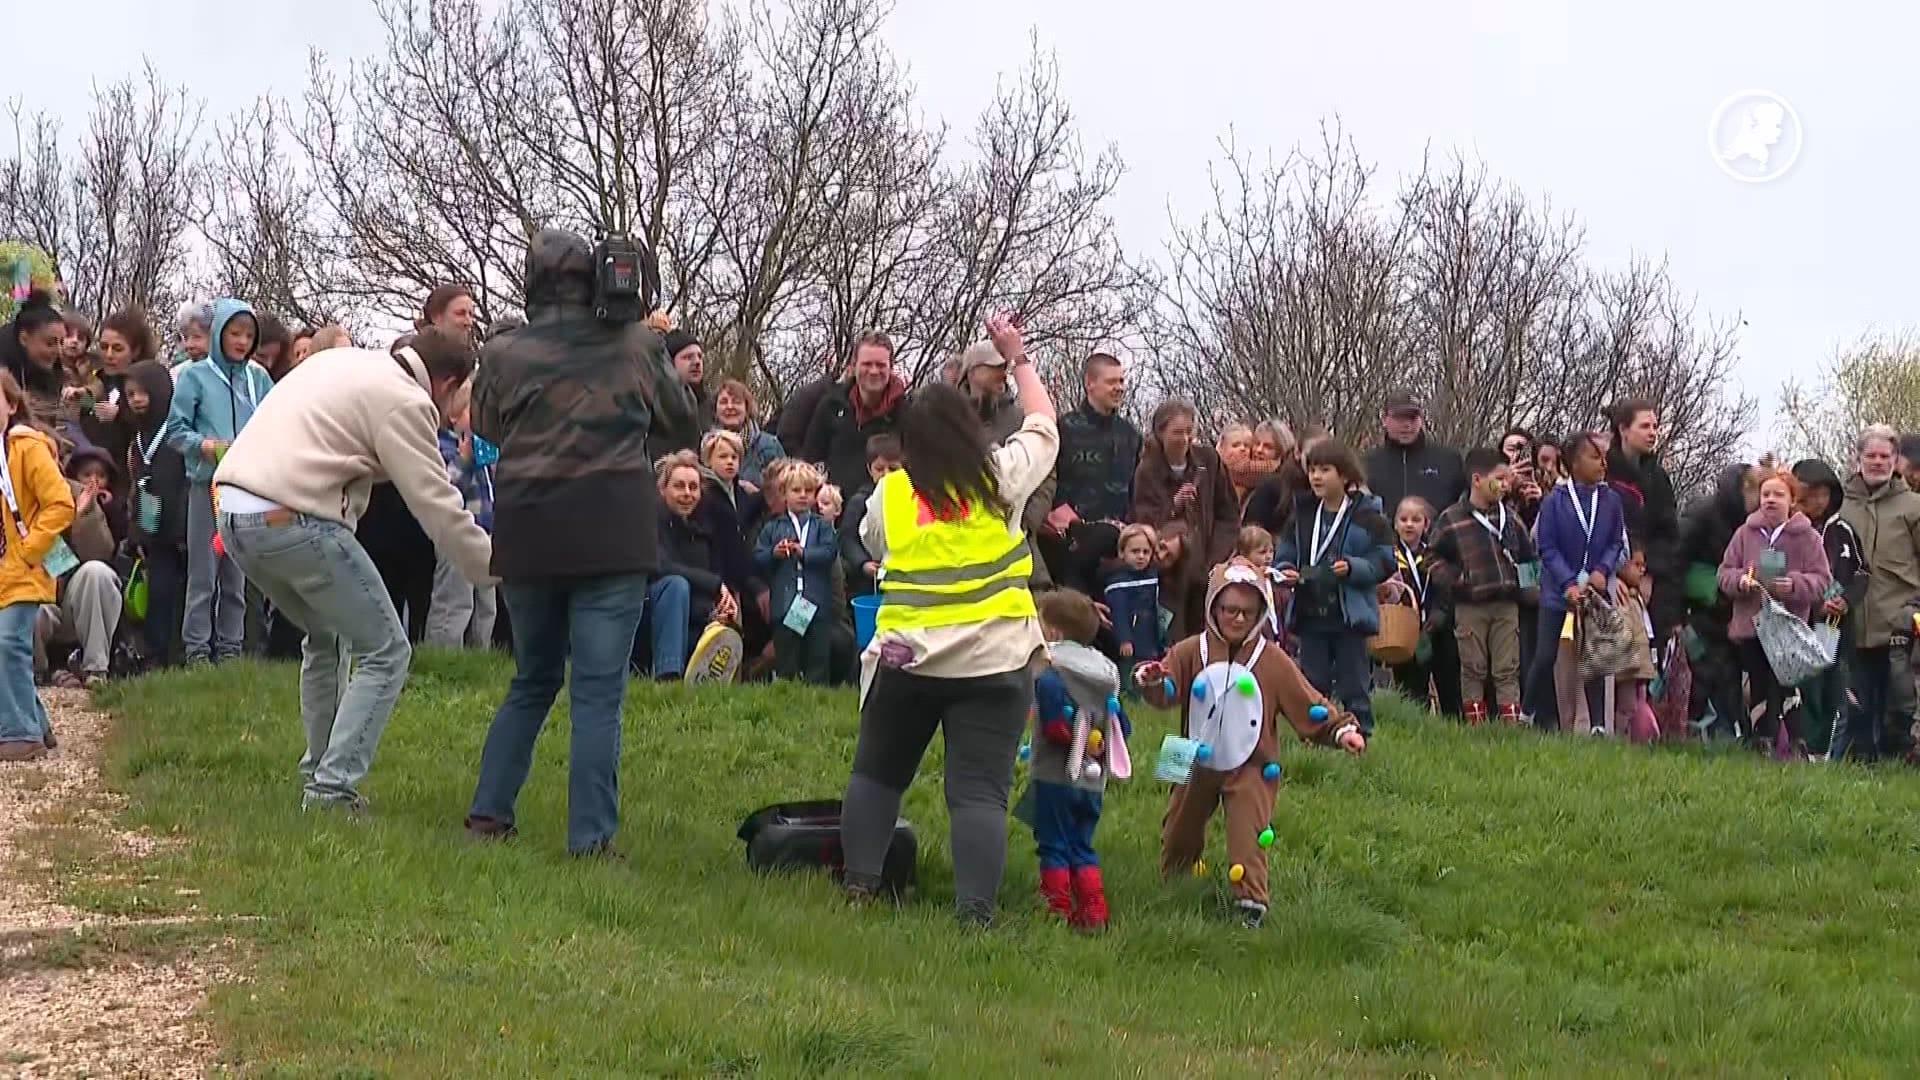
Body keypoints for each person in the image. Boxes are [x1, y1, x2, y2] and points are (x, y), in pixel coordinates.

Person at [465, 229, 694, 854]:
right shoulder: (636, 345)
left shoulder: (503, 353)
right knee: (598, 694)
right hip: (610, 532)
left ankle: (488, 816)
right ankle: (591, 842)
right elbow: (682, 421)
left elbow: (487, 425)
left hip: (529, 530)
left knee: (532, 679)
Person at [215, 328, 492, 812]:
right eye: (459, 396)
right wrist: (499, 566)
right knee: (387, 649)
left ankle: (319, 773)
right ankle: (332, 790)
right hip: (294, 517)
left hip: (235, 514)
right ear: (448, 383)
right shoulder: (406, 401)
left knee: (326, 637)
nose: (452, 412)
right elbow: (439, 507)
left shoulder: (343, 364)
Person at [838, 313, 1056, 926]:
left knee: (877, 776)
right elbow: (1043, 426)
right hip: (995, 661)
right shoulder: (1001, 480)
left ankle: (858, 890)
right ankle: (974, 916)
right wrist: (1018, 358)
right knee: (978, 793)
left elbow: (871, 541)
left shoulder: (891, 495)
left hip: (907, 660)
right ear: (969, 429)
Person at [1137, 558, 1365, 927]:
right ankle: (1177, 887)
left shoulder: (1272, 660)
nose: (1238, 618)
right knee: (1178, 829)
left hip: (1253, 765)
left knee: (1249, 833)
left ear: (1261, 612)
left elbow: (1308, 702)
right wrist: (1151, 680)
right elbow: (1167, 691)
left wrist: (1342, 730)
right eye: (1229, 609)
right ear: (1213, 608)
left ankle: (1250, 905)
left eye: (1247, 612)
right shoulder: (1190, 650)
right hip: (1190, 755)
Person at [167, 299, 271, 664]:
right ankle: (197, 651)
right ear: (219, 334)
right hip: (207, 487)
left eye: (248, 335)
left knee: (237, 574)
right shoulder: (194, 376)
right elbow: (175, 431)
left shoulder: (258, 379)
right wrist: (205, 446)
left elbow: (275, 422)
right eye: (235, 333)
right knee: (203, 572)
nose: (242, 341)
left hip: (246, 489)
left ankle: (230, 650)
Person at [1273, 439, 1394, 736]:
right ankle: (1316, 735)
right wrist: (1286, 569)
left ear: (1345, 475)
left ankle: (1360, 735)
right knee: (1313, 681)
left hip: (1348, 614)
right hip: (1310, 610)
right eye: (1312, 469)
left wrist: (1354, 567)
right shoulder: (1302, 513)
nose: (1316, 476)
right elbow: (1286, 552)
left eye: (1325, 470)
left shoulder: (1368, 515)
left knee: (1354, 683)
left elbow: (1385, 560)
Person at [1025, 588, 1129, 931]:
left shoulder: (1050, 667)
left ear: (1054, 632)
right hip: (1093, 779)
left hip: (1053, 773)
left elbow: (1053, 723)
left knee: (1053, 843)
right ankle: (1094, 911)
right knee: (1082, 844)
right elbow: (1122, 725)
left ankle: (1055, 909)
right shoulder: (1108, 673)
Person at [1719, 468, 1831, 751]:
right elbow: (1724, 573)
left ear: (1792, 500)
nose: (1770, 499)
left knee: (1784, 684)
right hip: (1751, 625)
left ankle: (1797, 744)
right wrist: (1741, 581)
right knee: (1758, 683)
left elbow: (1823, 581)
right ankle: (1762, 743)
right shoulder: (1744, 533)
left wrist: (1793, 585)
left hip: (1788, 628)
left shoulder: (1808, 537)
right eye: (1765, 494)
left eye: (1778, 494)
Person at [0, 372, 77, 761]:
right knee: (6, 646)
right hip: (6, 570)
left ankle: (20, 734)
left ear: (11, 406)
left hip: (25, 568)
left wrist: (30, 550)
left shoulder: (26, 448)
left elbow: (61, 503)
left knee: (8, 644)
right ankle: (38, 726)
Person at [1430, 448, 1537, 725]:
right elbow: (1432, 558)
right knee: (1473, 666)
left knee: (1507, 667)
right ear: (1477, 480)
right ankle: (1475, 725)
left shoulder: (1510, 518)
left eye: (1507, 479)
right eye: (1499, 479)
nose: (1505, 485)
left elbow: (1528, 557)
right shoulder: (1451, 518)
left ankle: (1510, 725)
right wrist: (1457, 580)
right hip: (1469, 604)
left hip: (1506, 603)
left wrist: (1529, 591)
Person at [1528, 433, 1627, 735]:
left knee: (1596, 655)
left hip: (1594, 590)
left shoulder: (1611, 500)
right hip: (1558, 591)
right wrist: (1567, 582)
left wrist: (1602, 570)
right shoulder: (1554, 501)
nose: (1603, 464)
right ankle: (1528, 712)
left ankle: (1597, 725)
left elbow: (1615, 541)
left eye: (1605, 458)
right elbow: (1547, 547)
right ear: (1573, 463)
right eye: (1595, 458)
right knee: (1545, 655)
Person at [1837, 425, 1920, 762]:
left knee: (1898, 708)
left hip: (1900, 625)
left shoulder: (1914, 507)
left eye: (1885, 456)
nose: (1877, 462)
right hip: (1853, 623)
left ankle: (1896, 762)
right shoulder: (1841, 506)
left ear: (1896, 460)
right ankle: (1861, 765)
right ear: (1857, 458)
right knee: (1857, 708)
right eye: (1870, 455)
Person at [1131, 400, 1239, 640]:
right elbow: (1143, 522)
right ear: (1160, 433)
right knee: (1176, 639)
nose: (1185, 439)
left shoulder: (1208, 461)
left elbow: (1228, 513)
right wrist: (1173, 506)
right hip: (1170, 574)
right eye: (1177, 433)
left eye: (1189, 431)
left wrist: (1216, 558)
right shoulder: (1147, 471)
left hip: (1208, 568)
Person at [1042, 350, 1140, 595]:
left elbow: (1136, 489)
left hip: (1118, 549)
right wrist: (1059, 513)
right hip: (1071, 548)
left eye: (1121, 381)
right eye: (1111, 382)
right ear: (1090, 383)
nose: (1119, 388)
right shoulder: (1063, 429)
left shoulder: (1130, 435)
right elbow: (1046, 480)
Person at [35, 448, 126, 688]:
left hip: (68, 599)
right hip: (30, 598)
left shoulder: (77, 492)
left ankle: (95, 670)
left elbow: (101, 554)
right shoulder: (9, 496)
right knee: (26, 608)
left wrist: (83, 516)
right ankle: (39, 673)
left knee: (97, 572)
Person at [1679, 463, 1759, 739]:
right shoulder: (1703, 513)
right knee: (1704, 674)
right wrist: (1674, 614)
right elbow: (1677, 559)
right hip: (1700, 609)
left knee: (1730, 677)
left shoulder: (1753, 522)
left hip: (1734, 611)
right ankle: (1702, 732)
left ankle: (1729, 733)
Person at [1793, 459, 1865, 759]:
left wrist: (1846, 600)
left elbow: (1862, 573)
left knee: (1834, 690)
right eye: (1811, 494)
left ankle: (1827, 754)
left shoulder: (1843, 531)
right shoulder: (1791, 531)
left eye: (1824, 494)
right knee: (1806, 691)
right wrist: (1813, 602)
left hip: (1836, 627)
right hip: (1800, 625)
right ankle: (1802, 749)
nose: (1818, 501)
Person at [649, 451, 738, 679]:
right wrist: (715, 584)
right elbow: (661, 565)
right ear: (663, 489)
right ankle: (668, 676)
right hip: (647, 616)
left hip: (691, 621)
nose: (687, 494)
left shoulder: (704, 530)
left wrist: (716, 609)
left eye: (693, 487)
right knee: (675, 585)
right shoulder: (650, 520)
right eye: (679, 486)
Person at [124, 360, 188, 671]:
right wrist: (137, 532)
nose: (136, 400)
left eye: (143, 393)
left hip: (177, 533)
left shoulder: (175, 434)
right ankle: (154, 655)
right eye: (130, 394)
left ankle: (175, 653)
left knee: (174, 594)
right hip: (152, 535)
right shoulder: (139, 439)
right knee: (156, 594)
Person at [754, 462, 837, 684]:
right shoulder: (773, 527)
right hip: (786, 602)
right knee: (787, 656)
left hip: (815, 603)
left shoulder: (822, 526)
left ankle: (818, 694)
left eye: (808, 491)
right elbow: (758, 557)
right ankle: (787, 690)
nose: (802, 495)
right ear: (784, 493)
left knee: (817, 657)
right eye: (796, 490)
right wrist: (774, 553)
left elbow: (829, 552)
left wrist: (804, 553)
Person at [1605, 400, 1682, 639]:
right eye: (1645, 426)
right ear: (1624, 430)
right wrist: (1613, 574)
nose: (1652, 433)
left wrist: (1649, 573)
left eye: (1655, 427)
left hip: (1651, 579)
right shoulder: (1604, 471)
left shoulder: (1657, 477)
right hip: (1608, 574)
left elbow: (1668, 533)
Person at [424, 402, 498, 650]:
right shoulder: (443, 447)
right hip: (456, 536)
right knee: (455, 601)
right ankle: (442, 652)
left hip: (485, 535)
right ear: (454, 416)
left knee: (486, 604)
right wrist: (464, 460)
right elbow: (445, 488)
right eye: (473, 411)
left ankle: (480, 654)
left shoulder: (482, 449)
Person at [802, 332, 905, 495]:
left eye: (880, 365)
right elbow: (811, 460)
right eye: (867, 364)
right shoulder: (831, 405)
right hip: (834, 506)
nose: (873, 371)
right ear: (854, 365)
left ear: (891, 367)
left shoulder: (906, 413)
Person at [1386, 495, 1457, 717]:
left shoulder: (1434, 556)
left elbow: (1445, 592)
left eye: (1416, 520)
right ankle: (1416, 725)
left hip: (1436, 628)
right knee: (1411, 689)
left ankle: (1454, 725)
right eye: (1403, 519)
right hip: (1403, 631)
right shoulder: (1389, 557)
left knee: (1449, 683)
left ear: (1426, 524)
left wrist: (1436, 619)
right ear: (1395, 524)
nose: (1409, 524)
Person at [1364, 390, 1466, 527]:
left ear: (1421, 420)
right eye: (1400, 418)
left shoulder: (1449, 460)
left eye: (1412, 418)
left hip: (1437, 539)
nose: (1407, 424)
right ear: (1385, 420)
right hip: (1382, 539)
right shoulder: (1367, 464)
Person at [79, 308, 152, 482]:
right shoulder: (94, 381)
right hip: (91, 478)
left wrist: (120, 415)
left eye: (117, 349)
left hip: (129, 479)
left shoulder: (148, 384)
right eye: (104, 347)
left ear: (135, 351)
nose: (109, 355)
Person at [838, 434, 900, 599]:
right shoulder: (860, 501)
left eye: (893, 469)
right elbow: (847, 538)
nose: (886, 475)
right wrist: (863, 563)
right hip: (867, 582)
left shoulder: (910, 500)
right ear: (869, 469)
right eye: (879, 469)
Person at [647, 330, 715, 461]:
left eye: (700, 356)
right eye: (688, 357)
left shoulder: (711, 405)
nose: (697, 362)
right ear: (670, 363)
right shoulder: (655, 404)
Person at [1103, 523, 1163, 663]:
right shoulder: (1117, 581)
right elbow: (1119, 612)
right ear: (1122, 552)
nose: (1141, 556)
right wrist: (1125, 639)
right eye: (1135, 551)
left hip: (1153, 636)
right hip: (1133, 641)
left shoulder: (1154, 576)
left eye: (1146, 552)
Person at [712, 379, 783, 490]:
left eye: (736, 402)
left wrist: (757, 494)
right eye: (723, 402)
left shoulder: (769, 445)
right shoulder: (707, 446)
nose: (730, 407)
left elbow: (785, 488)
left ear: (747, 408)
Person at [0, 291, 66, 398]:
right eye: (50, 343)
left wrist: (86, 394)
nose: (59, 351)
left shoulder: (59, 369)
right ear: (24, 339)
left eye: (61, 342)